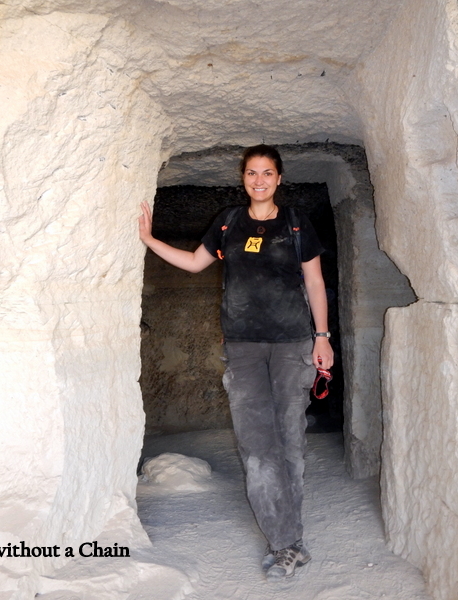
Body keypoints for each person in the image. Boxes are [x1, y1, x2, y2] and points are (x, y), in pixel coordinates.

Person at [138, 144, 334, 580]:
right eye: (251, 173)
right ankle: (285, 544)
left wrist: (323, 338)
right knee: (258, 449)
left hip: (293, 344)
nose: (259, 180)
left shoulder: (297, 222)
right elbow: (193, 263)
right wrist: (150, 240)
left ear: (279, 179)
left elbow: (315, 282)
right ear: (242, 178)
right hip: (244, 347)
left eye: (267, 173)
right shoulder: (228, 221)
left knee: (290, 444)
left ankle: (292, 536)